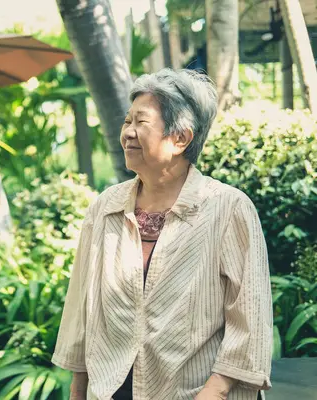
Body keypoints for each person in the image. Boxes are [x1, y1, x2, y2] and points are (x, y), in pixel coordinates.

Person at [51, 69, 273, 400]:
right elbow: (84, 306)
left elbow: (250, 316)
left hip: (196, 392)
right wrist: (78, 389)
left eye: (141, 122)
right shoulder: (105, 208)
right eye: (127, 121)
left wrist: (215, 392)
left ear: (180, 138)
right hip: (113, 390)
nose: (127, 132)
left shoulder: (227, 208)